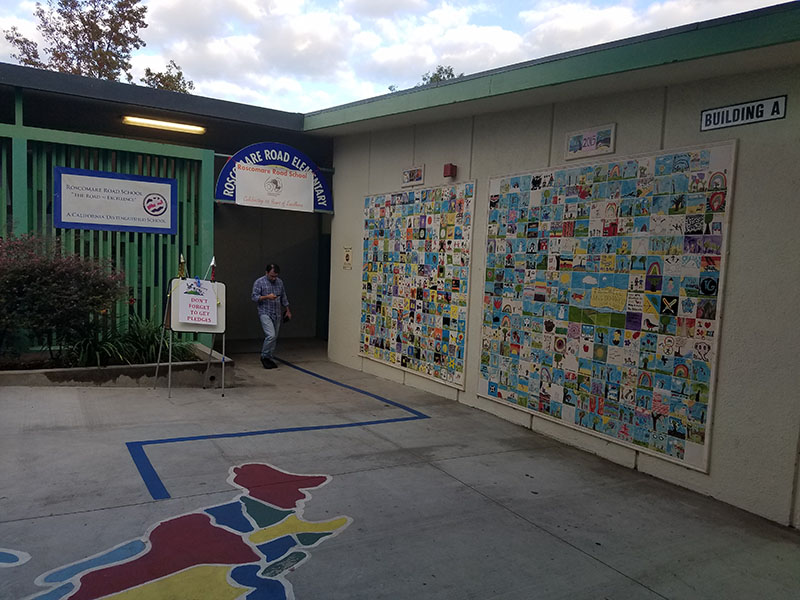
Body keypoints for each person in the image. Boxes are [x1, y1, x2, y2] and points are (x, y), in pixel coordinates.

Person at [251, 263, 291, 369]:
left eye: (275, 276)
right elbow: (254, 297)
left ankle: (269, 357)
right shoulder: (259, 282)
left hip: (276, 312)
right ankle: (264, 356)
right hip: (265, 312)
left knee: (274, 337)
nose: (273, 278)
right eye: (271, 276)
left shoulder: (280, 282)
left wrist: (287, 310)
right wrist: (266, 297)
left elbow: (283, 297)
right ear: (266, 273)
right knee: (271, 335)